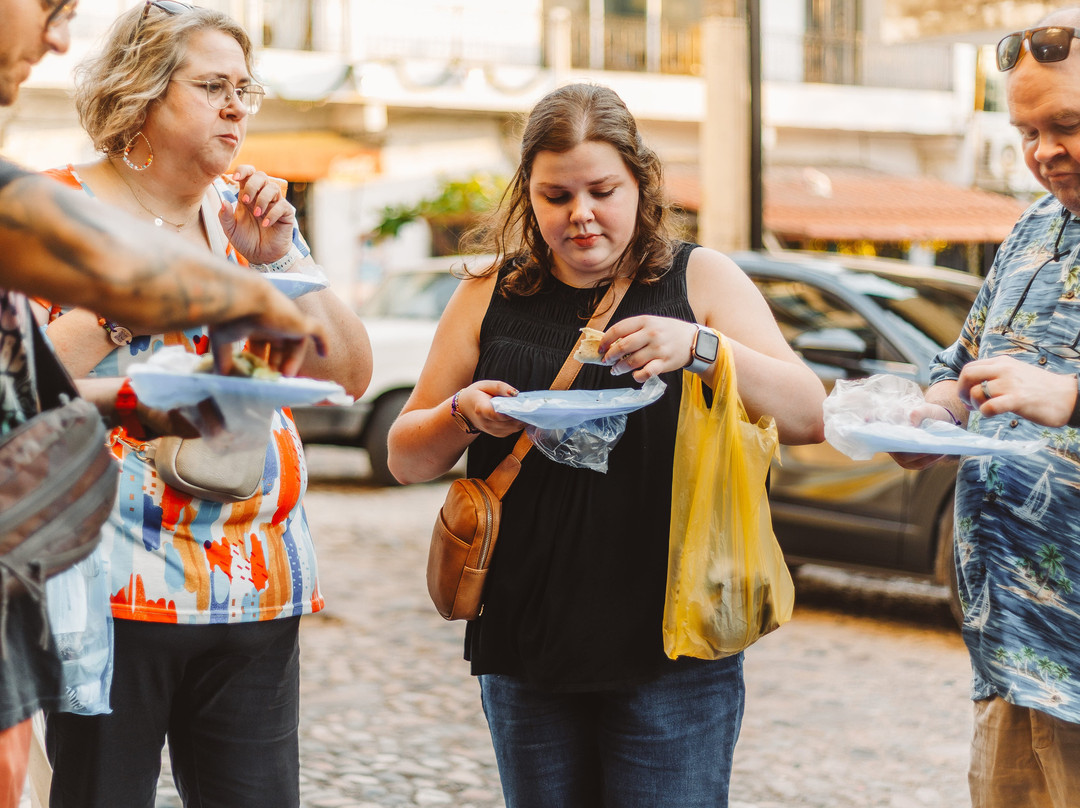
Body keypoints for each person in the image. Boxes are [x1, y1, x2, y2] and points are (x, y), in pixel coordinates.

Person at [387, 83, 825, 808]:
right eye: (556, 196)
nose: (580, 214)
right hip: (528, 642)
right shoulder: (489, 291)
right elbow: (407, 456)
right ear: (528, 195)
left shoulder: (698, 280)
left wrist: (702, 346)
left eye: (601, 190)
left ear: (641, 184)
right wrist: (464, 414)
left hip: (672, 647)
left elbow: (810, 412)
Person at [36, 3, 372, 807]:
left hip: (255, 586)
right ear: (142, 95)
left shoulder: (244, 222)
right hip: (114, 590)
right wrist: (127, 302)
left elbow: (351, 372)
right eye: (212, 85)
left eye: (244, 88)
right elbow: (22, 383)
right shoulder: (60, 206)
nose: (235, 106)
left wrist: (283, 257)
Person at [892, 9, 1080, 806]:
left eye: (1066, 124)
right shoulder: (1033, 228)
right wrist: (935, 415)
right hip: (1010, 654)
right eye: (1027, 132)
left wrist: (1069, 396)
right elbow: (959, 367)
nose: (1044, 154)